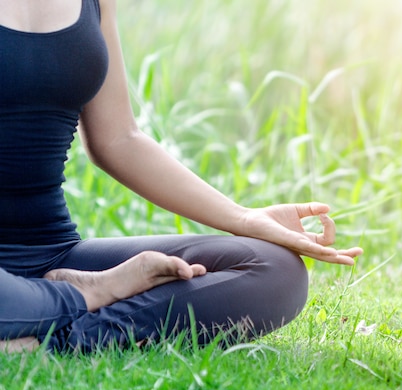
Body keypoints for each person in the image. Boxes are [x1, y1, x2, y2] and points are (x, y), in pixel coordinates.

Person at [0, 0, 363, 353]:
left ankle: (52, 338)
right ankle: (89, 295)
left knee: (277, 269)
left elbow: (118, 139)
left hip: (53, 251)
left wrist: (244, 218)